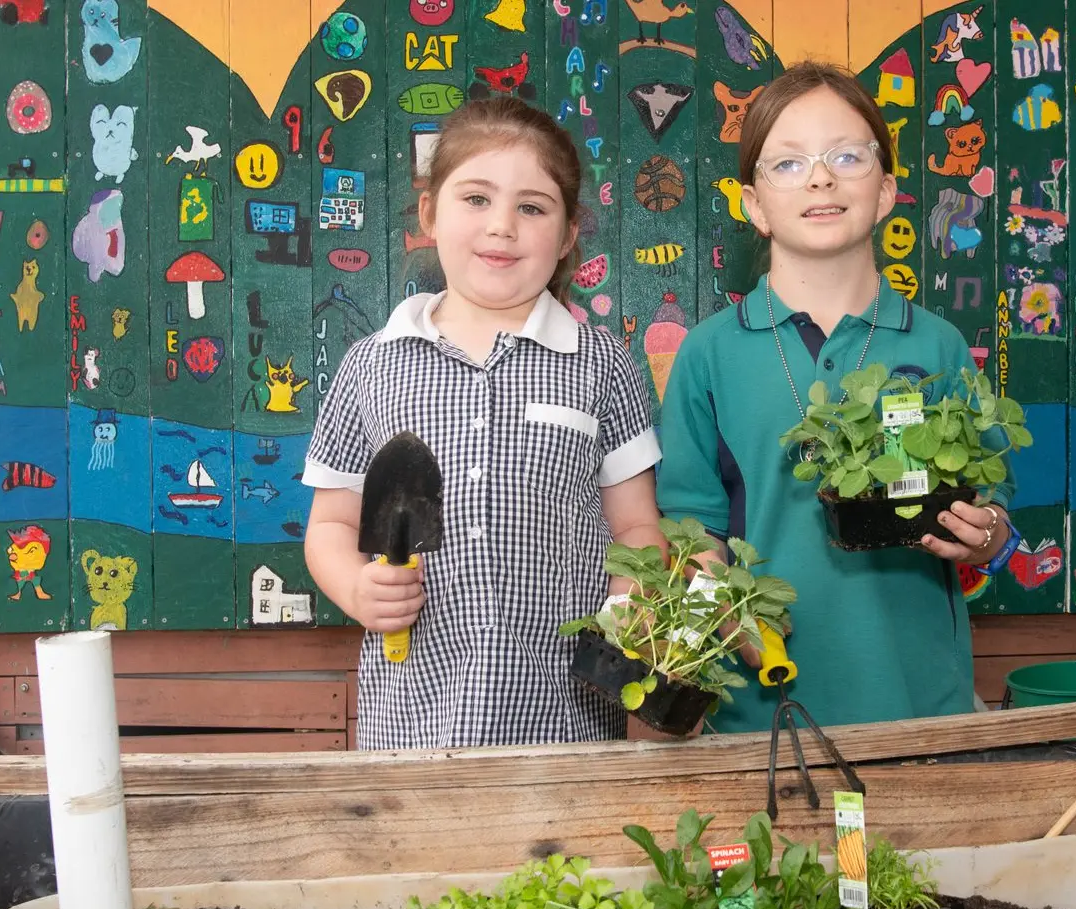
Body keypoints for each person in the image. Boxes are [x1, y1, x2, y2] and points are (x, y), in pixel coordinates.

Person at [656, 62, 1021, 733]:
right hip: (762, 716)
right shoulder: (708, 355)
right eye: (788, 163)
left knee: (901, 846)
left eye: (846, 156)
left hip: (918, 705)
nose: (820, 177)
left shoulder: (938, 344)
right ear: (754, 204)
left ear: (885, 191)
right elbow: (690, 527)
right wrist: (721, 605)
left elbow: (997, 505)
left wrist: (987, 534)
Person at [302, 96, 664, 751]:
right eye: (476, 199)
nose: (502, 226)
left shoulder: (600, 363)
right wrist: (356, 587)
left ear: (567, 233)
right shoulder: (370, 364)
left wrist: (626, 609)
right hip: (410, 719)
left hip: (565, 721)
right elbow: (329, 523)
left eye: (532, 207)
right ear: (428, 213)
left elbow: (637, 527)